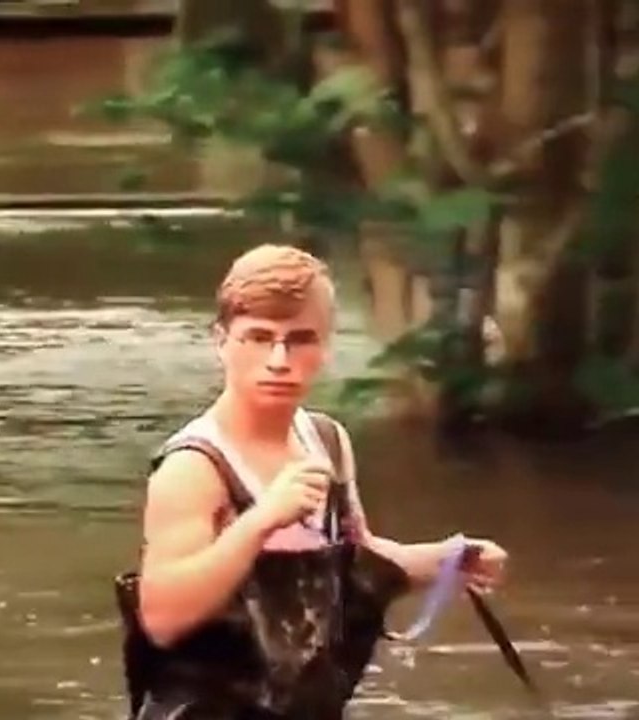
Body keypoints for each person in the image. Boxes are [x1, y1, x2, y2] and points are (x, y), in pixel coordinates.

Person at [117, 244, 510, 719]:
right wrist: (260, 521)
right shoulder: (194, 467)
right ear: (221, 341)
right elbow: (162, 618)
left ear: (324, 346)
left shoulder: (327, 441)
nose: (279, 360)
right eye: (259, 338)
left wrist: (450, 560)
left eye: (300, 339)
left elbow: (358, 569)